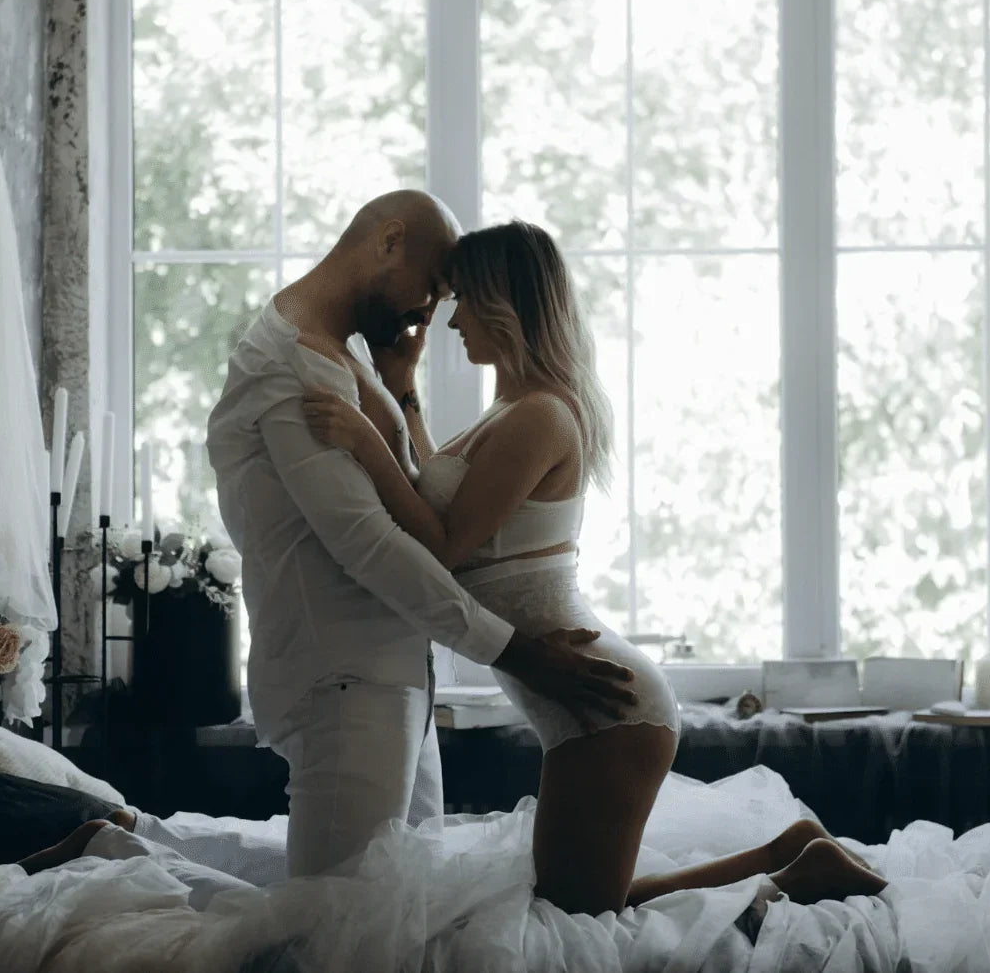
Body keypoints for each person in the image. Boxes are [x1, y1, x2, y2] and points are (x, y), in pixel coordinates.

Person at [300, 219, 887, 913]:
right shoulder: (512, 408)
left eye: (465, 301)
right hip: (585, 702)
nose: (452, 322)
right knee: (578, 906)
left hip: (608, 708)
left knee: (578, 918)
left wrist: (366, 443)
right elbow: (441, 495)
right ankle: (788, 855)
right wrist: (402, 388)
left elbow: (446, 546)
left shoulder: (540, 417)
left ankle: (793, 870)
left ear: (506, 305)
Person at [204, 190, 642, 881]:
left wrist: (395, 393)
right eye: (435, 286)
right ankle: (119, 845)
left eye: (455, 296)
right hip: (345, 680)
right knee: (340, 924)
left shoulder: (346, 361)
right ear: (388, 242)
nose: (435, 314)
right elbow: (371, 544)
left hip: (394, 676)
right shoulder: (291, 369)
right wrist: (519, 654)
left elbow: (420, 507)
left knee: (406, 910)